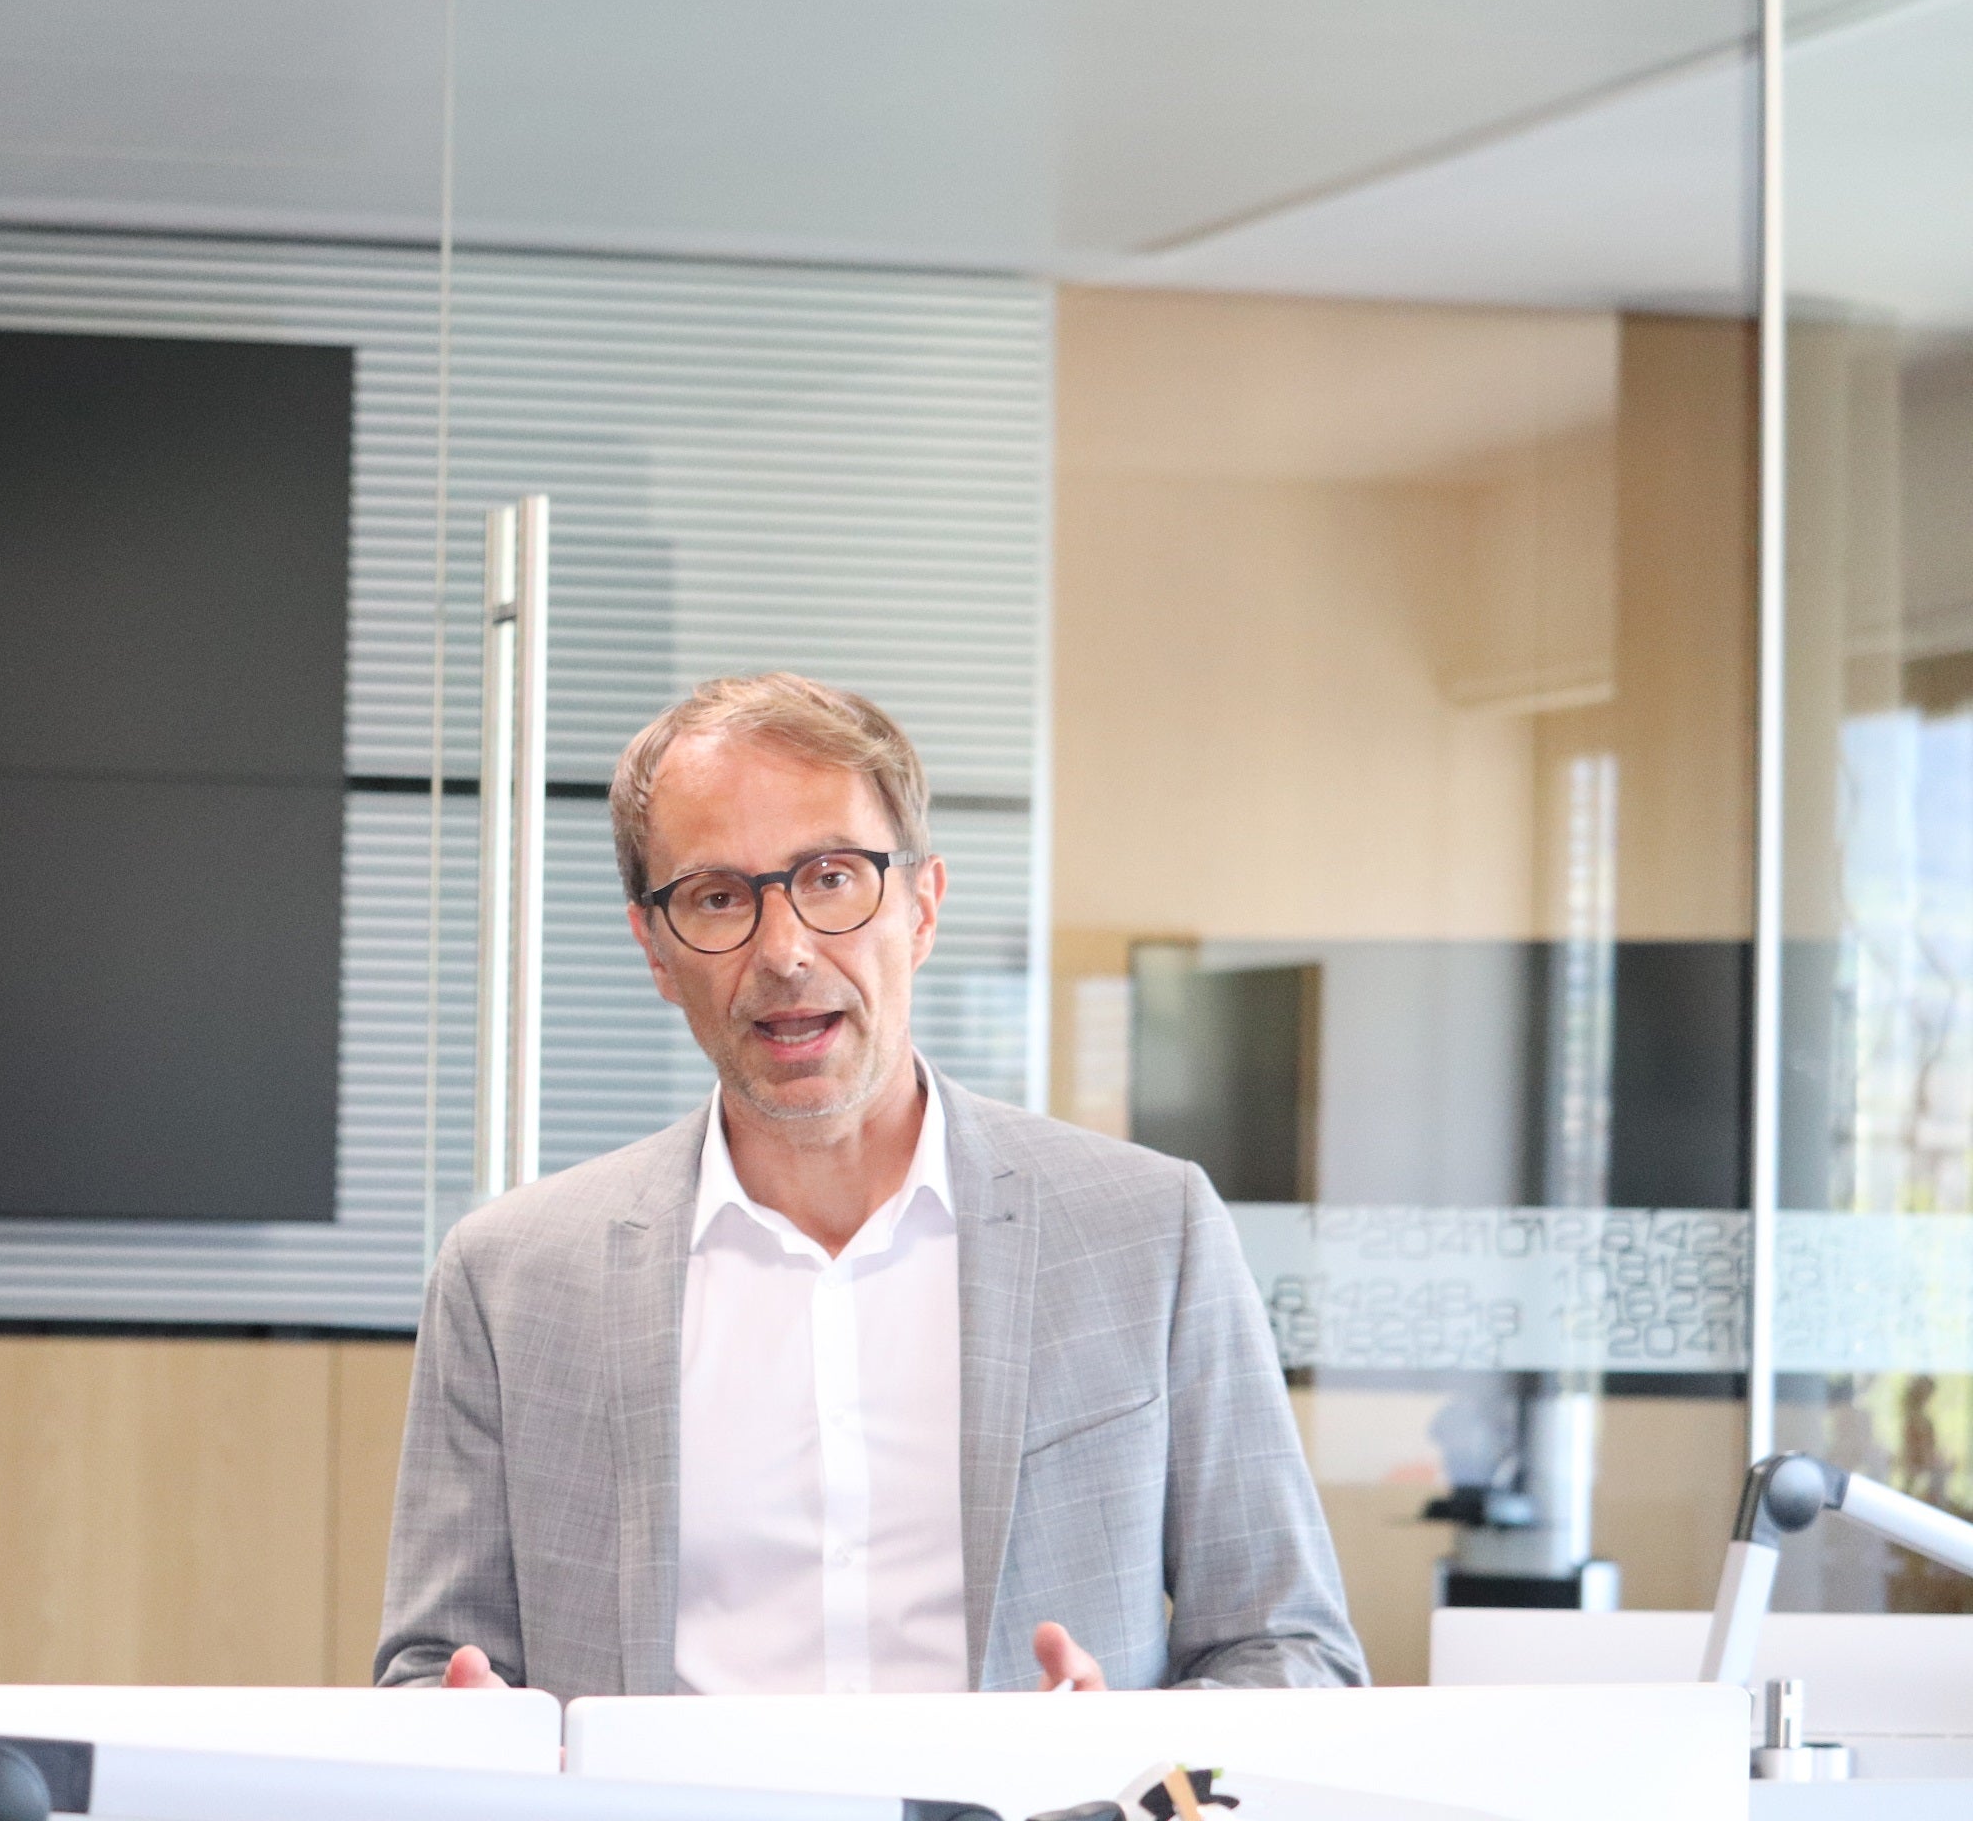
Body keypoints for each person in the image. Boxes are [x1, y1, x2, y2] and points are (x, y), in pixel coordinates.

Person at [376, 673, 1363, 1699]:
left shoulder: (1151, 1231)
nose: (786, 949)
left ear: (921, 905)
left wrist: (1127, 1768)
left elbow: (1291, 1647)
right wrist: (476, 1738)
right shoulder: (511, 1280)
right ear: (657, 951)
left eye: (833, 876)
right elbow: (429, 1667)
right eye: (718, 897)